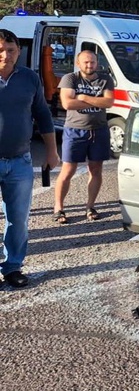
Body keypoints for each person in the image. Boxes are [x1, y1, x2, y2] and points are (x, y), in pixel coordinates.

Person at [0, 29, 60, 288]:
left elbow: (43, 115)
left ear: (19, 51)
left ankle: (12, 267)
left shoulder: (30, 78)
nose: (5, 55)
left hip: (20, 161)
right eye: (0, 50)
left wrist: (52, 151)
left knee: (18, 220)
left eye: (10, 50)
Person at [53, 50, 114, 224]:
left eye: (93, 62)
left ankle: (90, 206)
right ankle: (59, 208)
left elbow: (109, 102)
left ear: (97, 63)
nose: (89, 65)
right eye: (86, 62)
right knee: (68, 171)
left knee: (95, 170)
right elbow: (67, 103)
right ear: (78, 63)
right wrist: (97, 99)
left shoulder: (105, 79)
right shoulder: (70, 78)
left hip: (99, 130)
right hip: (75, 130)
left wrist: (84, 96)